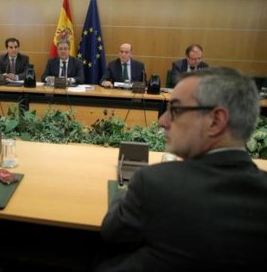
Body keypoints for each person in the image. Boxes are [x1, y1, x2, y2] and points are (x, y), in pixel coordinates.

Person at [97, 67, 267, 271]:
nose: (162, 121)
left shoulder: (155, 183)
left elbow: (112, 232)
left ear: (216, 121)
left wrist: (124, 191)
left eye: (175, 110)